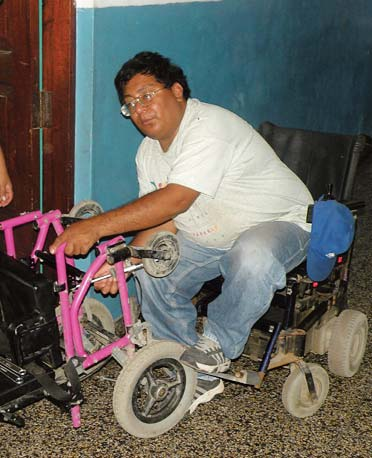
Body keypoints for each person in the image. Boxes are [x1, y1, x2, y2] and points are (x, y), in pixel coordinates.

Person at [50, 51, 313, 412]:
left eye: (146, 96)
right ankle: (190, 369)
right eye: (129, 104)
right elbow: (161, 220)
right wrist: (121, 260)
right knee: (151, 269)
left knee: (251, 255)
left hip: (279, 223)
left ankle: (217, 346)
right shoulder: (148, 153)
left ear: (176, 91)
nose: (139, 110)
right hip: (210, 235)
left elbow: (174, 200)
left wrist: (94, 227)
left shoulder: (209, 127)